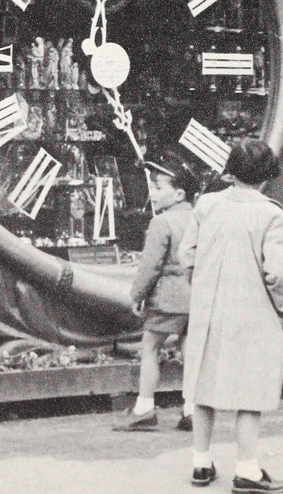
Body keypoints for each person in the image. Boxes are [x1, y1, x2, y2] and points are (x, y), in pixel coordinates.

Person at [179, 138, 283, 492]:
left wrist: (202, 284)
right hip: (253, 314)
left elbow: (187, 255)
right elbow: (277, 273)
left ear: (231, 170)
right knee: (250, 391)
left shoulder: (207, 204)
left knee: (203, 387)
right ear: (267, 174)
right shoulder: (270, 213)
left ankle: (201, 463)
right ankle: (246, 470)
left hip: (209, 310)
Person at [113, 151, 198, 432]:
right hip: (196, 297)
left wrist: (137, 295)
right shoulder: (199, 219)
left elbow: (150, 266)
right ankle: (191, 410)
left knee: (150, 346)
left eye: (158, 187)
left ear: (179, 194)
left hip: (168, 299)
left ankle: (144, 407)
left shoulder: (161, 222)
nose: (152, 192)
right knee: (190, 349)